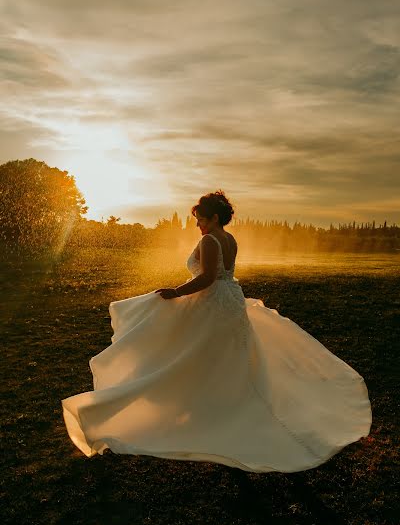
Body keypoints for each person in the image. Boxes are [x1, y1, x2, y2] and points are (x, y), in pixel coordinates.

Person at [61, 190, 372, 473]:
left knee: (187, 355)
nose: (197, 224)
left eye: (200, 218)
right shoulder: (230, 239)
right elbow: (223, 275)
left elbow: (208, 277)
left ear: (212, 217)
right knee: (222, 358)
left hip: (212, 303)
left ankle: (193, 408)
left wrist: (175, 291)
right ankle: (217, 404)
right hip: (230, 302)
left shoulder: (210, 240)